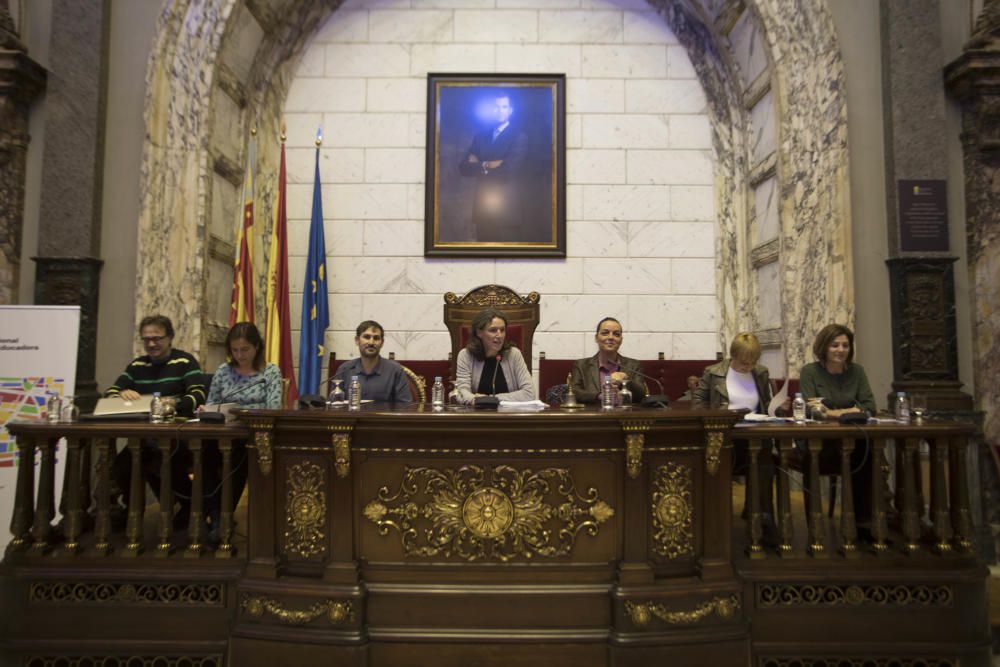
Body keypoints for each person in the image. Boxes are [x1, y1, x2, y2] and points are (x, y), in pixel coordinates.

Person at [106, 314, 206, 527]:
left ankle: (189, 508)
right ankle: (130, 510)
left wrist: (171, 405)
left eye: (157, 338)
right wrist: (122, 395)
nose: (151, 344)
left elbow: (198, 395)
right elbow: (110, 394)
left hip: (178, 436)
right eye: (146, 339)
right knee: (122, 466)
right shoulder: (136, 366)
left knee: (167, 460)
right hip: (144, 438)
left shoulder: (185, 362)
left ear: (170, 337)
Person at [201, 322, 283, 537]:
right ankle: (217, 514)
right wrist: (205, 410)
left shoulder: (270, 372)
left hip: (252, 436)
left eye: (245, 349)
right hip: (221, 435)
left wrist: (242, 412)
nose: (240, 355)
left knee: (238, 459)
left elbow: (272, 408)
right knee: (202, 454)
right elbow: (212, 404)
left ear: (256, 347)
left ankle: (221, 516)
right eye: (235, 350)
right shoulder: (223, 371)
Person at [798, 323, 878, 527]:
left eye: (845, 345)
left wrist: (830, 411)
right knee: (818, 453)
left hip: (853, 439)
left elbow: (869, 406)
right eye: (835, 345)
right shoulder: (810, 372)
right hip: (819, 441)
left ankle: (863, 523)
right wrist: (848, 411)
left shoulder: (857, 371)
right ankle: (816, 526)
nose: (841, 350)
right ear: (824, 347)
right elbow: (810, 409)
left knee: (867, 451)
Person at [692, 333, 778, 520]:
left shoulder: (761, 373)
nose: (747, 367)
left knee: (765, 459)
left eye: (752, 362)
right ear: (733, 356)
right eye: (743, 363)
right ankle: (718, 517)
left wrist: (777, 407)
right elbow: (698, 402)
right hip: (724, 435)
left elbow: (766, 404)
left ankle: (762, 516)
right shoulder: (714, 372)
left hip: (754, 433)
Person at [458, 93, 529, 242]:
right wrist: (488, 164)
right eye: (496, 107)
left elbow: (507, 173)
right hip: (483, 211)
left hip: (507, 213)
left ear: (510, 111)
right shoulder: (480, 137)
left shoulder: (519, 136)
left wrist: (478, 164)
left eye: (504, 107)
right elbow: (463, 168)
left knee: (508, 263)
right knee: (482, 261)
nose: (500, 110)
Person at [453, 308, 534, 405]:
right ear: (479, 333)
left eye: (502, 330)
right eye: (493, 330)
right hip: (476, 415)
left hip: (510, 416)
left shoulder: (514, 354)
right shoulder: (466, 355)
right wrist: (475, 400)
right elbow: (462, 393)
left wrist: (490, 399)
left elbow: (529, 393)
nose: (499, 335)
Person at [569, 317, 647, 405]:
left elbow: (641, 394)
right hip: (594, 415)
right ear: (596, 338)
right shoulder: (581, 365)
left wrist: (626, 381)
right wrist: (600, 396)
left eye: (616, 334)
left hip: (624, 416)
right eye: (605, 333)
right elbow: (574, 392)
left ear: (621, 340)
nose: (611, 337)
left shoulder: (633, 365)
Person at [333, 321, 413, 403]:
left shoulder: (395, 370)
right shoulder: (344, 369)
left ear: (382, 343)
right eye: (367, 337)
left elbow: (405, 406)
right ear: (357, 340)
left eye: (376, 338)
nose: (371, 342)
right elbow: (335, 405)